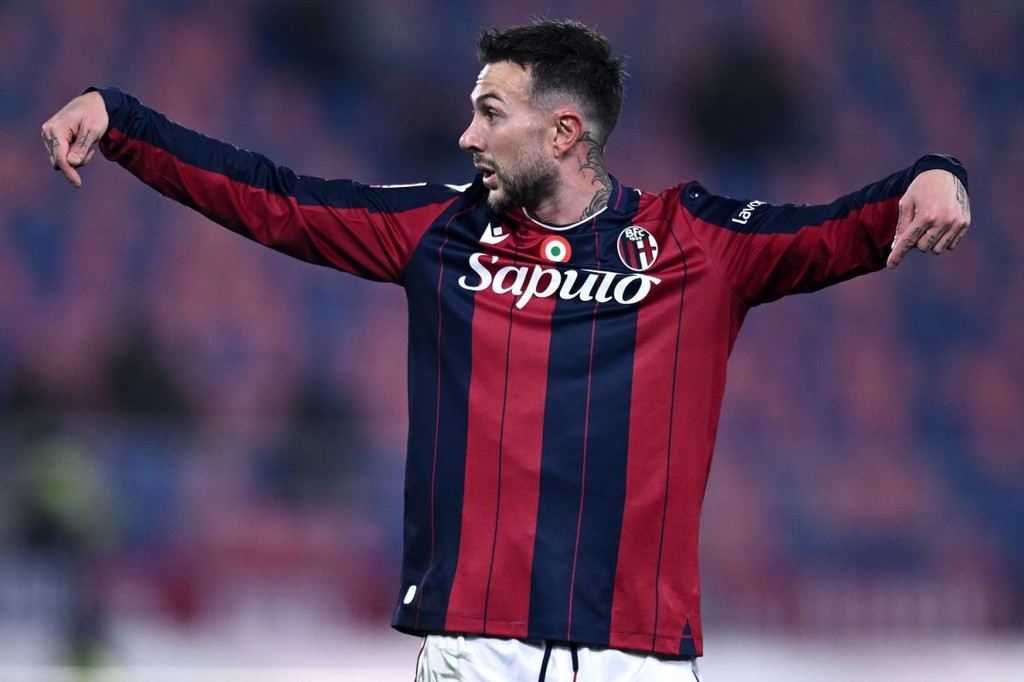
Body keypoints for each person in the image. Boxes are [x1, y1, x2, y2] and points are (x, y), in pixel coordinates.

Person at [41, 18, 970, 682]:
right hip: (475, 651)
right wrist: (124, 123)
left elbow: (844, 226)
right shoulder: (439, 232)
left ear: (563, 133)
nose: (467, 135)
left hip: (640, 657)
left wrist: (935, 175)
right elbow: (272, 197)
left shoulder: (698, 244)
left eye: (490, 113)